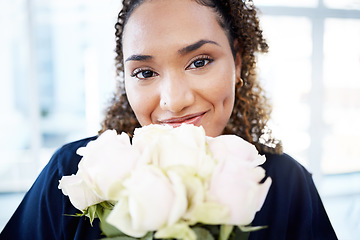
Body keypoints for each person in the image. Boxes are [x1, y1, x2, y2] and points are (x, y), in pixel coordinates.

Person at [0, 0, 337, 239]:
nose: (174, 101)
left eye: (200, 61)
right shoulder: (74, 174)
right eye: (145, 72)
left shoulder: (288, 185)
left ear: (237, 60)